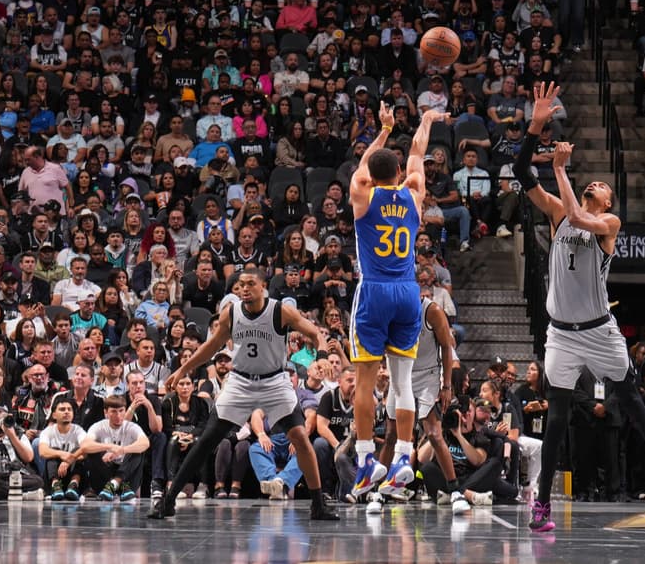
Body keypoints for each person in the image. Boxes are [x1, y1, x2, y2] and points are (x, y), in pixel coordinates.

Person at [512, 81, 645, 532]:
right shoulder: (555, 211)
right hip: (560, 333)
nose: (596, 184)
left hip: (599, 331)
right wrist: (535, 129)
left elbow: (577, 217)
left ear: (608, 201)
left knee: (629, 402)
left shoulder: (607, 222)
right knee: (555, 415)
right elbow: (520, 171)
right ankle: (544, 504)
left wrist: (562, 171)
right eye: (590, 182)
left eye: (602, 185)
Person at [148, 269, 338, 520]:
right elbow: (211, 346)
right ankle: (168, 501)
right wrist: (183, 368)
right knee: (206, 440)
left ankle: (318, 505)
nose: (245, 289)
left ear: (263, 287)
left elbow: (316, 334)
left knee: (301, 438)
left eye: (250, 284)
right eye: (240, 285)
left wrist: (322, 356)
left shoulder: (280, 311)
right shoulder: (232, 313)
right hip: (240, 382)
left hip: (274, 381)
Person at [347, 103, 446, 499]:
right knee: (403, 383)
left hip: (374, 290)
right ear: (400, 174)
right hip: (408, 292)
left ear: (372, 175)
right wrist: (425, 121)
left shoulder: (362, 194)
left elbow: (361, 168)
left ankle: (366, 458)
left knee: (366, 381)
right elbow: (418, 154)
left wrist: (384, 130)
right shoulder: (413, 194)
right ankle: (405, 456)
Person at [373, 293, 470, 515]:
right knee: (390, 435)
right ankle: (380, 491)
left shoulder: (432, 311)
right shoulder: (391, 308)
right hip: (400, 374)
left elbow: (446, 346)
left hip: (427, 376)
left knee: (434, 434)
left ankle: (455, 491)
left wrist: (446, 386)